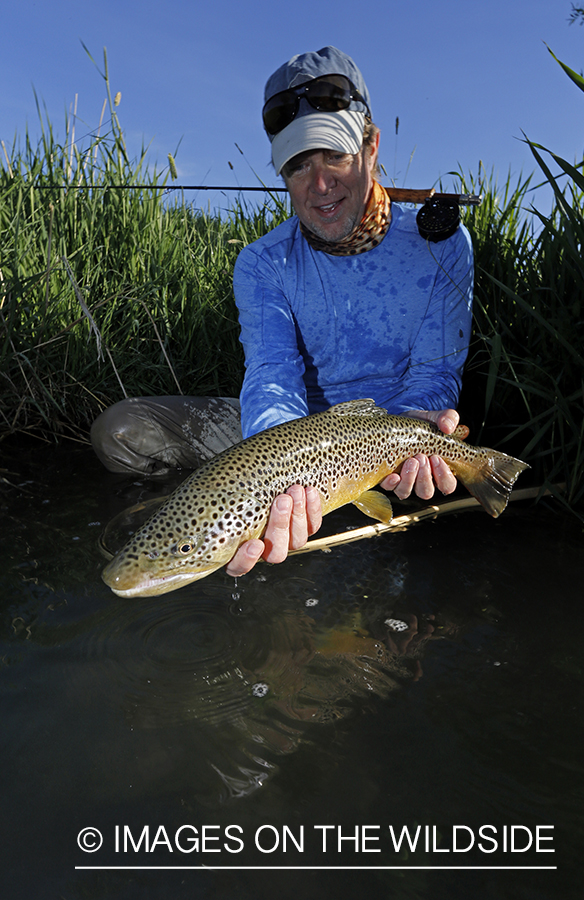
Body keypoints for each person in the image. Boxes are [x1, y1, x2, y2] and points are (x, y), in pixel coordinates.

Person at [91, 46, 474, 579]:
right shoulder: (262, 263)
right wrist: (280, 480)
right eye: (298, 165)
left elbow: (435, 375)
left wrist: (415, 433)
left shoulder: (442, 242)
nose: (319, 186)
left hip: (390, 436)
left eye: (334, 156)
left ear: (371, 146)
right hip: (287, 439)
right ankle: (191, 527)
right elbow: (271, 378)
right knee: (122, 430)